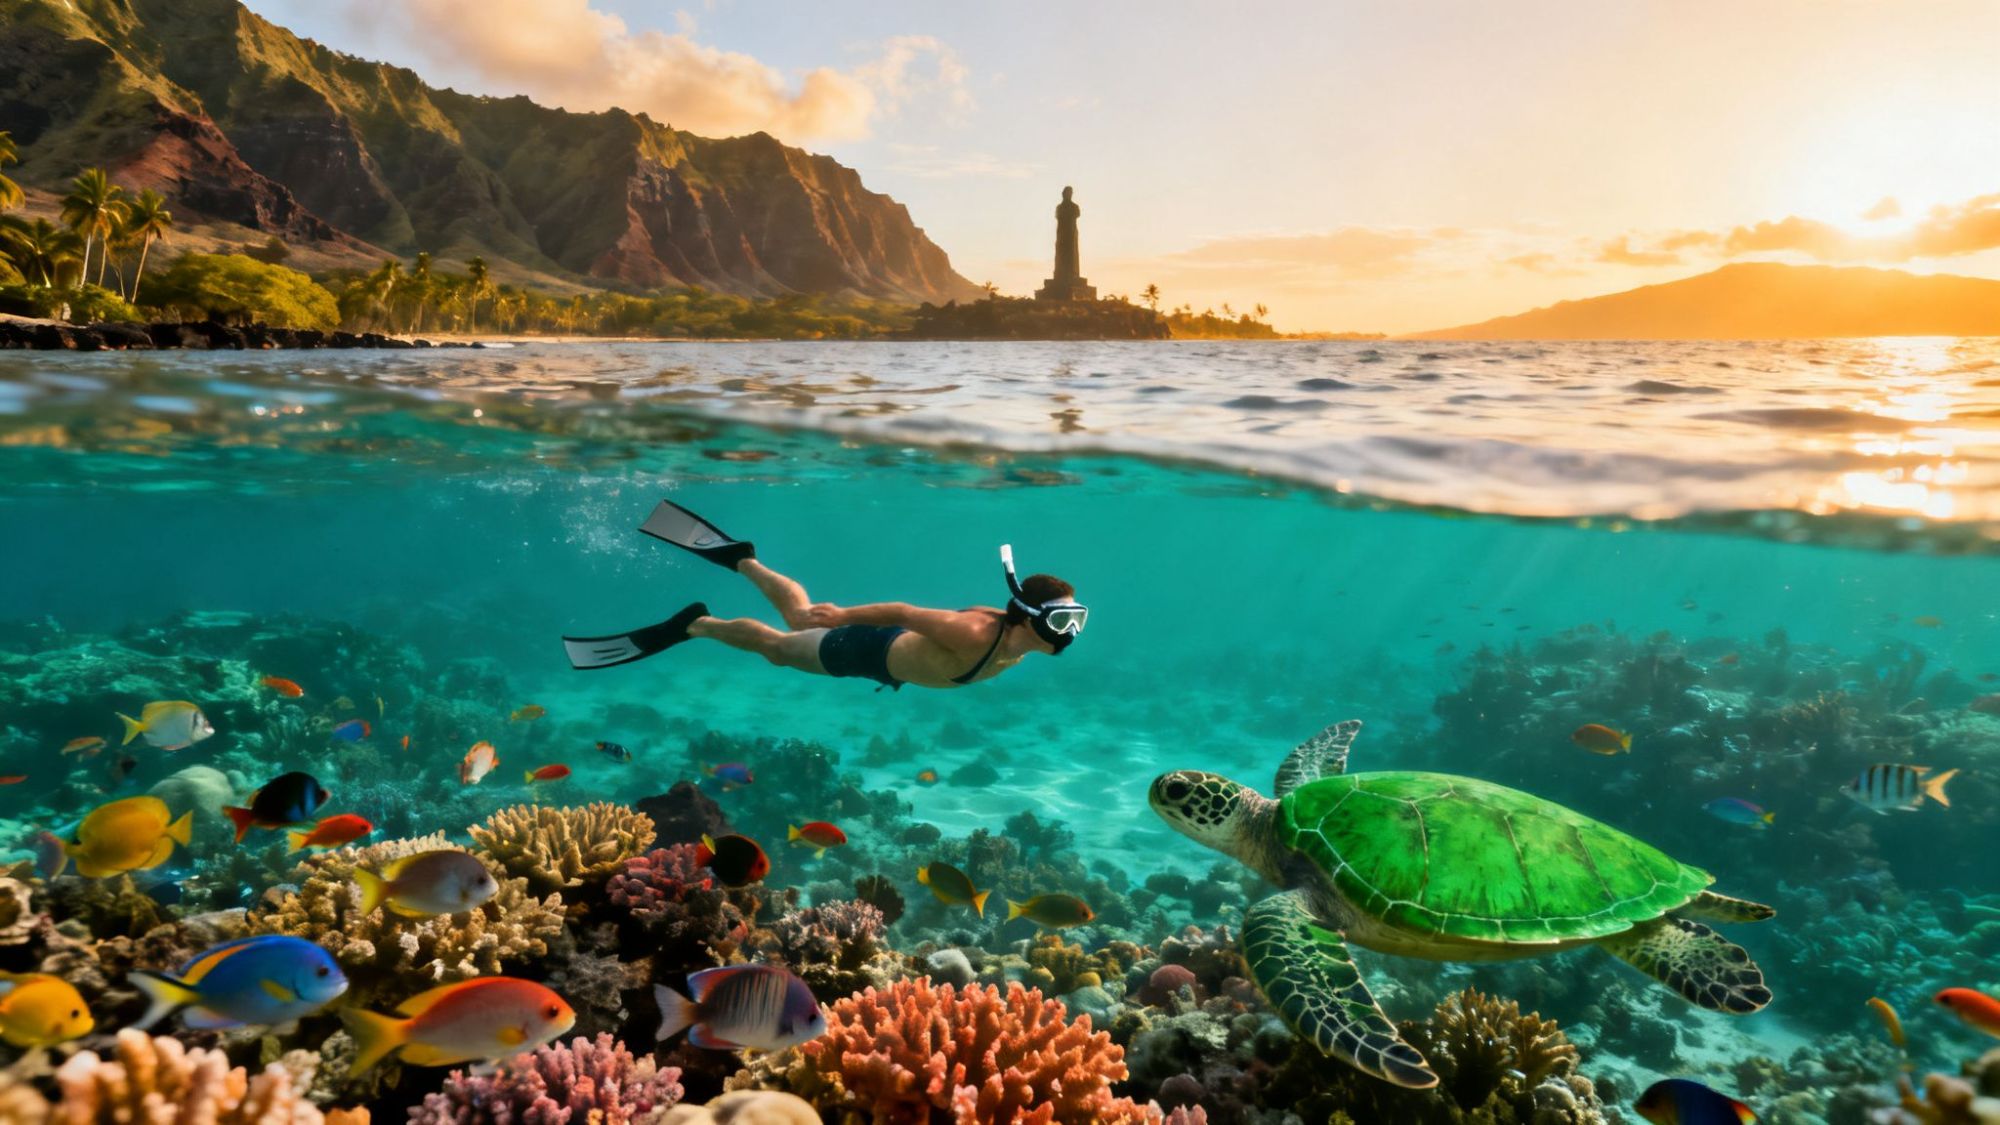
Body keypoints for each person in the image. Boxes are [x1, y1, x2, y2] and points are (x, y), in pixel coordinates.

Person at [562, 501, 1086, 691]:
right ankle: (696, 625)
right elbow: (905, 612)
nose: (1071, 634)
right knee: (779, 648)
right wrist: (843, 616)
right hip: (864, 649)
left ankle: (741, 557)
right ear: (1030, 619)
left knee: (794, 614)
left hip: (883, 662)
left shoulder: (1016, 639)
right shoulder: (974, 633)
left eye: (1075, 621)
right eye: (1063, 623)